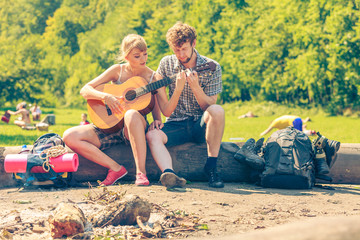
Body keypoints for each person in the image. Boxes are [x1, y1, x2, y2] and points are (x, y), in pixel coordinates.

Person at [63, 34, 162, 186]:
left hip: (133, 128)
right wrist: (105, 97)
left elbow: (153, 103)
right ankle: (115, 168)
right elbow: (85, 89)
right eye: (137, 56)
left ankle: (141, 172)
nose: (143, 59)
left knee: (131, 114)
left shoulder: (152, 76)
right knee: (69, 136)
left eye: (145, 54)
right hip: (111, 126)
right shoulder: (118, 70)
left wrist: (157, 120)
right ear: (126, 56)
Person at [146, 22, 225, 188]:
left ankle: (211, 167)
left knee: (217, 110)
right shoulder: (165, 64)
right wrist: (178, 89)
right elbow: (167, 111)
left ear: (194, 43)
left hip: (200, 125)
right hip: (176, 123)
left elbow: (209, 106)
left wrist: (196, 87)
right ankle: (169, 173)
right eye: (176, 50)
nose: (181, 54)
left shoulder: (213, 67)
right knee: (152, 135)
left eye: (184, 49)